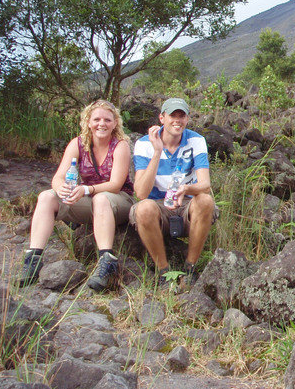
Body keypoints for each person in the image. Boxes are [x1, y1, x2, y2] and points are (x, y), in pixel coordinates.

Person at [18, 100, 134, 291]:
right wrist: (61, 188)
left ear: (115, 123)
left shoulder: (120, 146)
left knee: (101, 198)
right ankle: (33, 260)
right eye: (96, 119)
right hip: (91, 201)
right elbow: (58, 177)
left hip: (118, 200)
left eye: (107, 119)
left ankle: (106, 261)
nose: (101, 124)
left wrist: (86, 190)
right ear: (88, 121)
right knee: (47, 197)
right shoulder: (78, 144)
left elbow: (115, 185)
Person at [130, 97, 217, 288]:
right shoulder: (144, 144)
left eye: (182, 115)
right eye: (172, 115)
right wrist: (157, 151)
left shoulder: (196, 140)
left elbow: (205, 185)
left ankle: (189, 269)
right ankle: (164, 273)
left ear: (187, 119)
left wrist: (186, 189)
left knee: (205, 201)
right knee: (143, 208)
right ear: (162, 118)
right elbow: (141, 193)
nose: (177, 120)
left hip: (187, 202)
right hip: (157, 205)